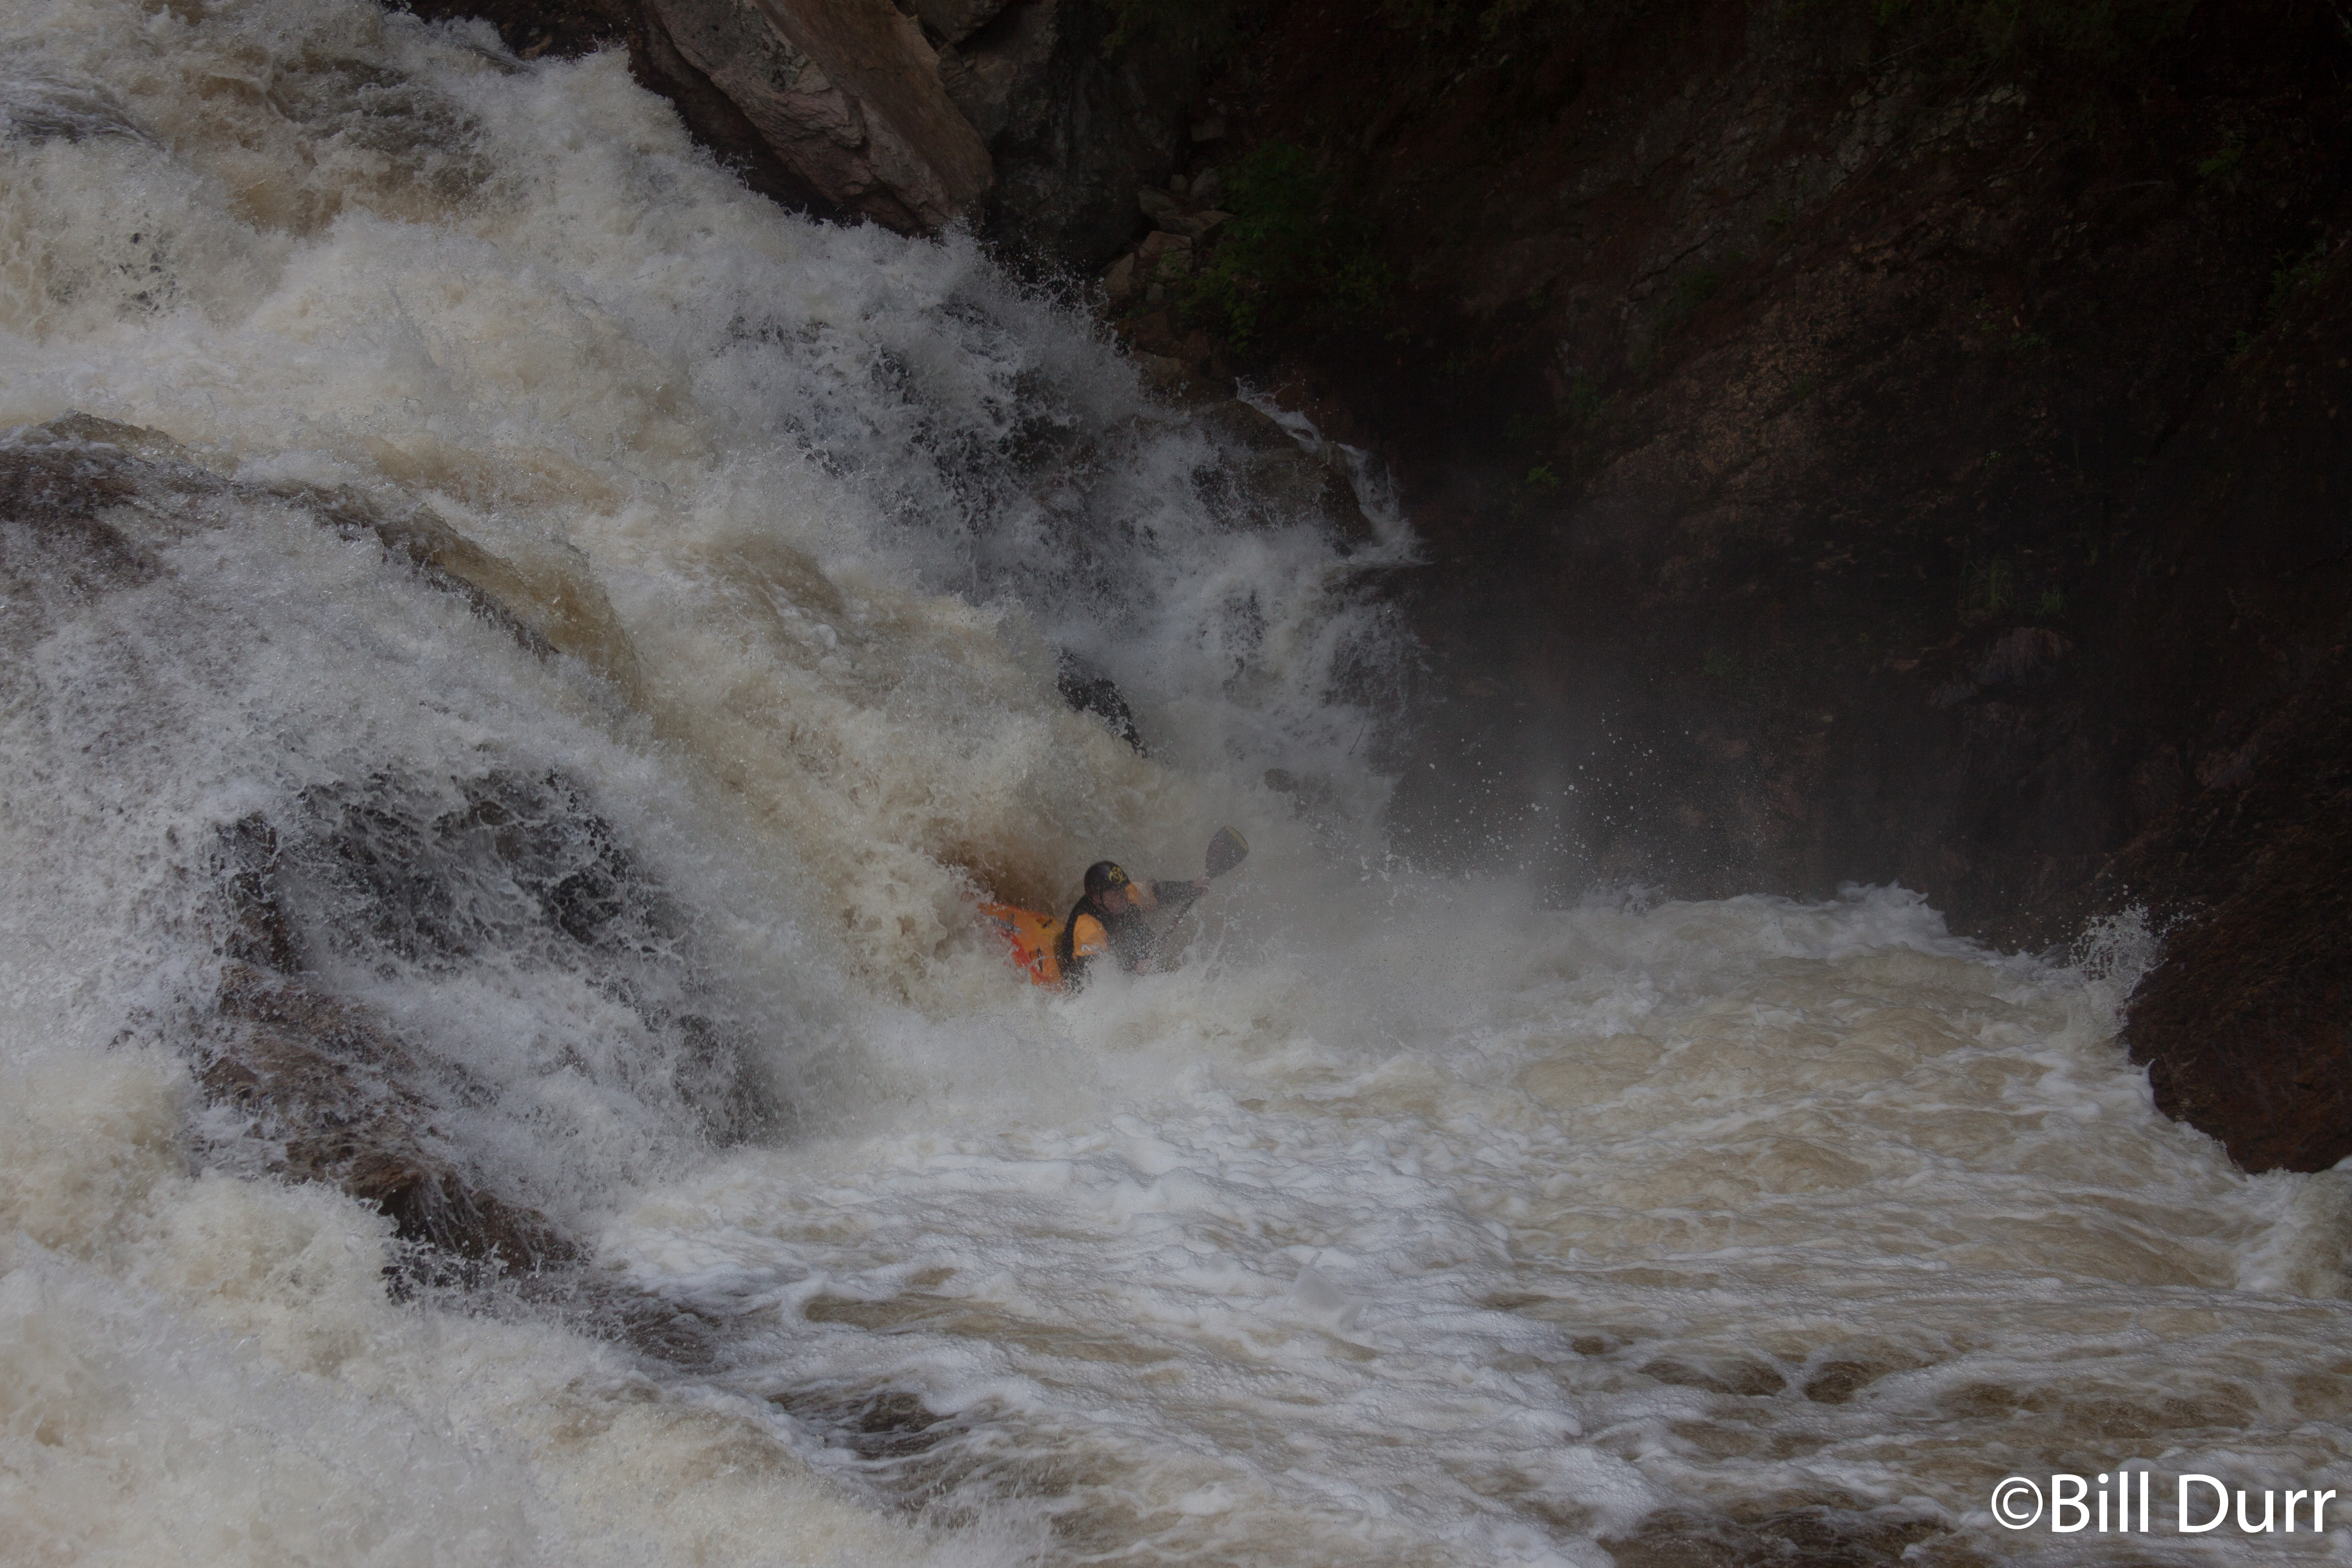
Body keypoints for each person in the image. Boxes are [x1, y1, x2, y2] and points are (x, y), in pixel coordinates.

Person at [1053, 860, 1208, 988]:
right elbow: (1097, 979)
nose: (1122, 897)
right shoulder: (1088, 927)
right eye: (1115, 893)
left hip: (1135, 963)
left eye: (1122, 890)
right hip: (1100, 984)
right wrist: (1133, 969)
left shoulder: (1126, 896)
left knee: (1140, 929)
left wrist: (1190, 888)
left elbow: (1156, 892)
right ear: (1097, 899)